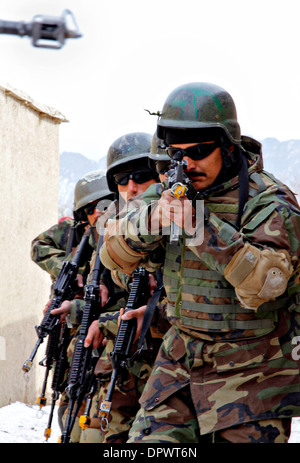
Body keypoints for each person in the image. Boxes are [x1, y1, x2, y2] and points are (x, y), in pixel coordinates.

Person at [99, 82, 300, 443]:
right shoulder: (170, 194)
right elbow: (112, 255)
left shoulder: (269, 202)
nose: (186, 164)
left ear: (227, 147)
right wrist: (151, 222)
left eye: (199, 151)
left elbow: (265, 285)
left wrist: (200, 226)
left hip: (251, 374)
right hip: (179, 362)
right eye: (176, 154)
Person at [82, 132, 170, 443]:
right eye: (122, 179)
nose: (132, 187)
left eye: (142, 175)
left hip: (175, 365)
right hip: (127, 358)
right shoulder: (114, 233)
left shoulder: (183, 218)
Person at [31, 170, 114, 439]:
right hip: (68, 332)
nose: (98, 213)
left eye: (104, 205)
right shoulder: (70, 232)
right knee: (66, 394)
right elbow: (38, 246)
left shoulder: (123, 240)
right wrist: (66, 268)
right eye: (90, 209)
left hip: (97, 334)